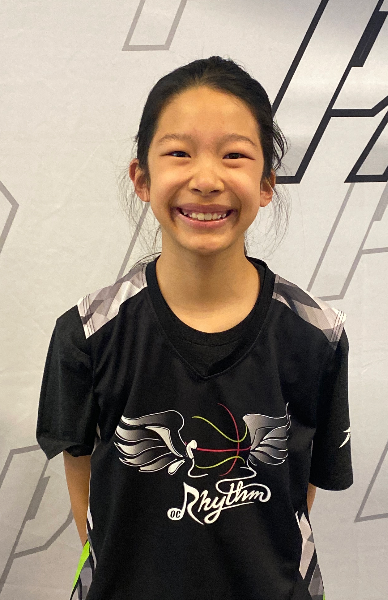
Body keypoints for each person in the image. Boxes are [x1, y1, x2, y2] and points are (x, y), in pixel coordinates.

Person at [36, 55, 353, 600]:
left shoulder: (317, 334)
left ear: (266, 183)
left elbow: (298, 494)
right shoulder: (87, 333)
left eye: (234, 155)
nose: (206, 180)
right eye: (179, 153)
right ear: (142, 178)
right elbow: (82, 472)